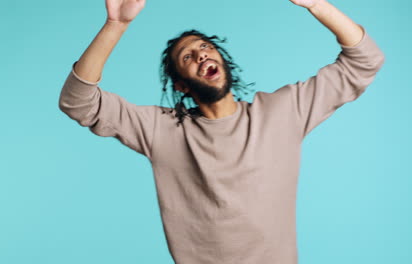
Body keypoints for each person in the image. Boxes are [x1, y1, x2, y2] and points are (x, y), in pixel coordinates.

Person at [58, 0, 385, 263]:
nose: (201, 53)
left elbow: (366, 60)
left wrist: (317, 5)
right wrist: (116, 25)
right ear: (181, 84)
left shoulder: (283, 112)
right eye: (188, 56)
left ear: (221, 61)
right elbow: (78, 101)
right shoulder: (164, 130)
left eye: (205, 47)